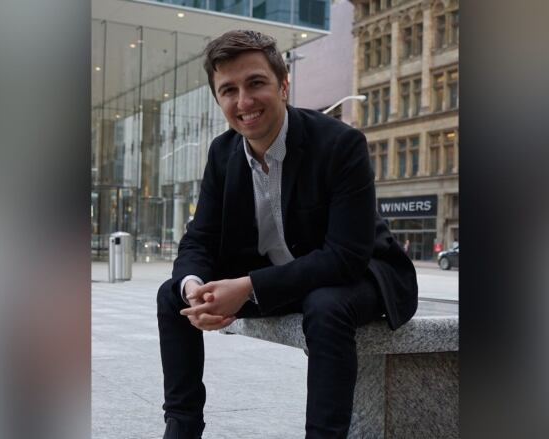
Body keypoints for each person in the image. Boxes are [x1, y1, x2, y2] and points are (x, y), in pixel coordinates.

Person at [156, 30, 418, 439]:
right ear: (218, 98)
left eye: (256, 83)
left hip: (357, 276)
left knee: (326, 305)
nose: (243, 102)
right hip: (277, 277)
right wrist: (194, 287)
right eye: (229, 90)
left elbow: (345, 257)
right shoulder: (223, 154)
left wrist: (248, 286)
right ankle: (182, 428)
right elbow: (199, 239)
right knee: (171, 293)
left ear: (283, 84)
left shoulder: (341, 144)